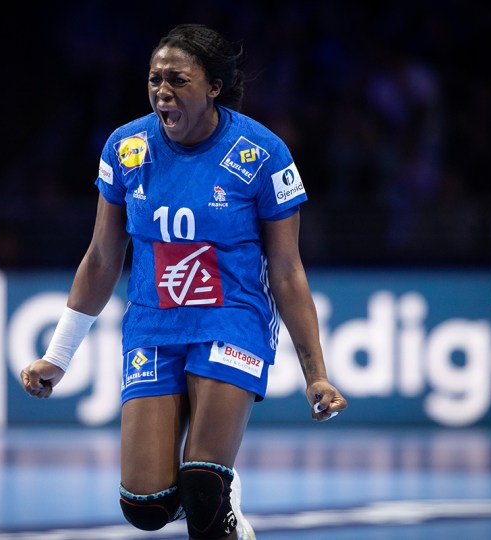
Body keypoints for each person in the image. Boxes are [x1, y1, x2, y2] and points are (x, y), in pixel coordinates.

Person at [20, 24, 347, 540]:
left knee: (202, 488)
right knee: (145, 507)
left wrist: (316, 375)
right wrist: (57, 357)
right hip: (153, 324)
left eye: (178, 80)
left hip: (231, 319)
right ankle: (215, 495)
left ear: (213, 87)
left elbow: (287, 270)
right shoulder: (126, 147)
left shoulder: (262, 153)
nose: (162, 92)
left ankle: (219, 496)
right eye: (155, 79)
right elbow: (102, 258)